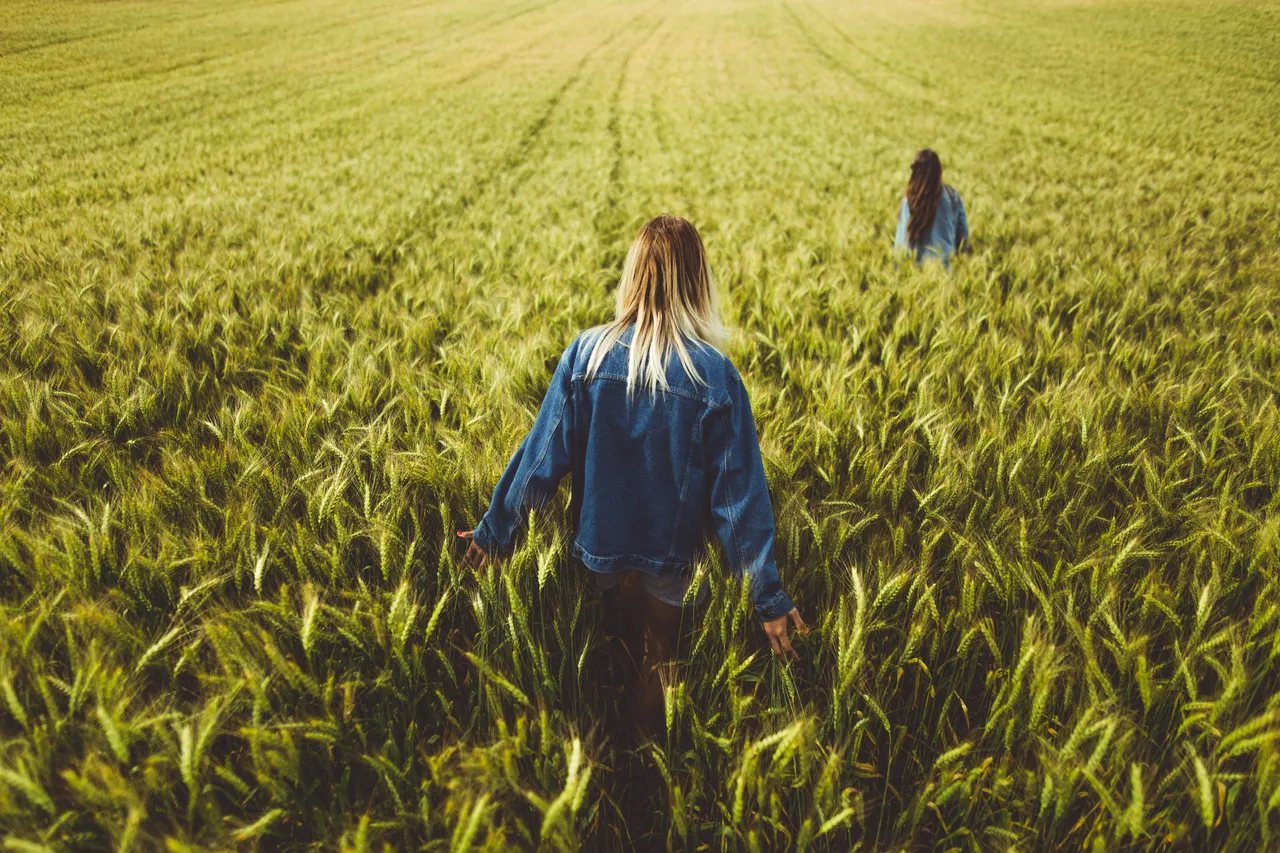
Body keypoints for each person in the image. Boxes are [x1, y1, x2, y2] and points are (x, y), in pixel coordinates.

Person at [459, 214, 807, 738]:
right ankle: (644, 771)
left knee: (608, 649)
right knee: (658, 662)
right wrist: (766, 597)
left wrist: (495, 532)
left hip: (600, 547)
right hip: (672, 557)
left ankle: (599, 755)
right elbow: (738, 503)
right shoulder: (714, 376)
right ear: (696, 282)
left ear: (632, 276)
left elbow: (539, 459)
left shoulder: (586, 354)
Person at [894, 148, 970, 269]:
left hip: (917, 274)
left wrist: (898, 270)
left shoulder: (910, 200)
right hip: (946, 271)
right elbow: (963, 236)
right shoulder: (952, 196)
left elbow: (902, 242)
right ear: (939, 171)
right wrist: (960, 258)